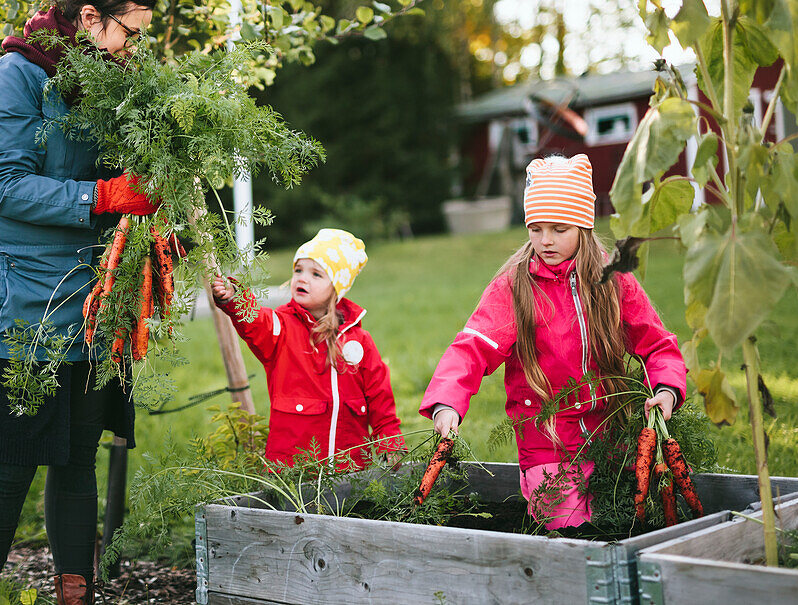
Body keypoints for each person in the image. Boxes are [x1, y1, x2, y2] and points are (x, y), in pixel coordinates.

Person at [0, 0, 159, 605]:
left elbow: (128, 179)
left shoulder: (104, 82)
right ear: (91, 19)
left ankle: (78, 593)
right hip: (13, 305)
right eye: (129, 31)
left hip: (83, 296)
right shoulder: (15, 77)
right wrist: (99, 195)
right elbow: (4, 187)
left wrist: (153, 205)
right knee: (9, 466)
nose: (136, 46)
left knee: (74, 461)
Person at [420, 155, 686, 530]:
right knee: (567, 534)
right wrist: (446, 402)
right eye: (535, 228)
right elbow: (472, 347)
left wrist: (667, 389)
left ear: (583, 225)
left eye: (559, 229)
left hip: (612, 436)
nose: (545, 241)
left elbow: (655, 343)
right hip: (547, 440)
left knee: (624, 524)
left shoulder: (612, 280)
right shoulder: (515, 287)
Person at [211, 228, 405, 470]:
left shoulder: (360, 341)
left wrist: (391, 444)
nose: (302, 278)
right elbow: (256, 322)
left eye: (316, 274)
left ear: (337, 287)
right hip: (294, 470)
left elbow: (380, 399)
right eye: (298, 270)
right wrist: (235, 300)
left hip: (351, 471)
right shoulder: (281, 328)